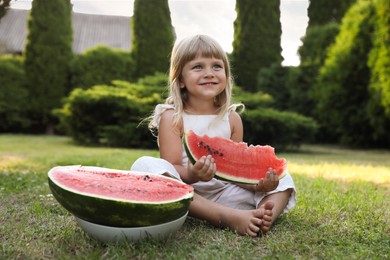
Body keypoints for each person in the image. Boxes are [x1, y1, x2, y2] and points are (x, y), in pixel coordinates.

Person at [131, 35, 296, 237]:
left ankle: (262, 213)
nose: (209, 73)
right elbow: (170, 166)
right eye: (198, 67)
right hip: (187, 194)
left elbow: (236, 171)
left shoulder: (232, 119)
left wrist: (259, 184)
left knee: (284, 178)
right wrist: (192, 175)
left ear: (226, 75)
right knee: (145, 165)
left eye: (217, 66)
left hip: (225, 194)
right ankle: (227, 217)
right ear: (181, 80)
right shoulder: (172, 117)